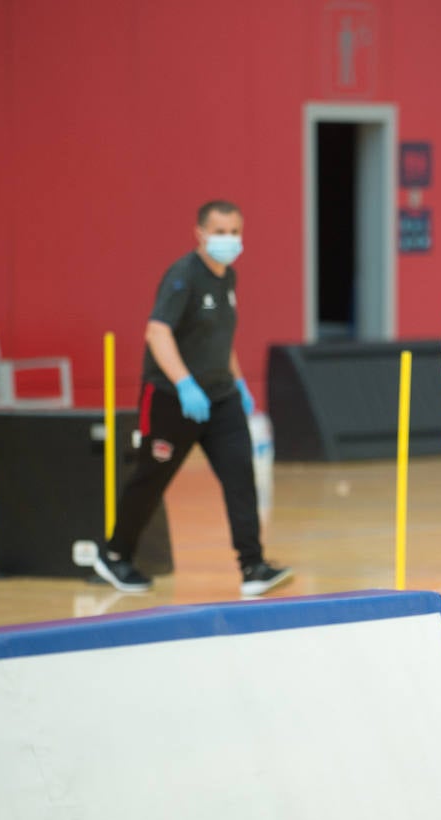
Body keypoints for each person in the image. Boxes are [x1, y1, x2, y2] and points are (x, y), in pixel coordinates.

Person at [92, 200, 292, 599]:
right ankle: (114, 555)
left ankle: (252, 566)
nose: (229, 239)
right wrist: (185, 385)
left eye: (235, 231)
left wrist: (237, 382)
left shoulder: (228, 278)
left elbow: (220, 338)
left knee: (240, 477)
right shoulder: (182, 276)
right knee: (151, 478)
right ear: (200, 233)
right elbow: (157, 333)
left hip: (220, 399)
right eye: (220, 232)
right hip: (171, 398)